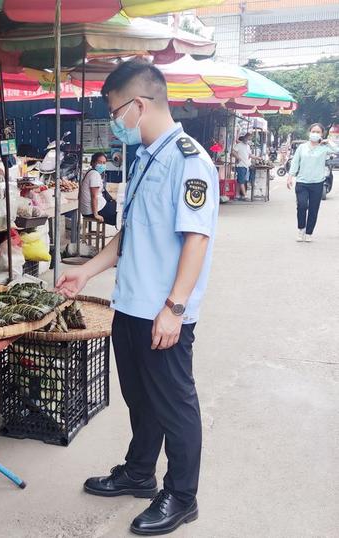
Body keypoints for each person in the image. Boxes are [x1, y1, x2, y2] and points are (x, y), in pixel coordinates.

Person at [56, 59, 219, 536]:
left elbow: (196, 239)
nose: (113, 121)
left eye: (114, 110)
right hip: (129, 306)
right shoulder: (145, 155)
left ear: (138, 105)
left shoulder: (189, 160)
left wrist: (174, 308)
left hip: (163, 313)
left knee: (174, 404)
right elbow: (130, 235)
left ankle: (182, 496)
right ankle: (139, 472)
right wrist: (85, 271)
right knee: (140, 399)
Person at [287, 123, 339, 242]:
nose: (315, 134)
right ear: (309, 132)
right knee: (302, 205)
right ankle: (301, 229)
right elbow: (295, 162)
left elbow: (337, 150)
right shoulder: (302, 147)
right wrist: (290, 176)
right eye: (313, 131)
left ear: (322, 134)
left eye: (318, 132)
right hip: (302, 182)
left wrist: (328, 141)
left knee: (313, 209)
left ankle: (309, 232)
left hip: (317, 183)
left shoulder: (324, 148)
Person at [80, 152, 116, 225]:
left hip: (87, 210)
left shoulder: (90, 172)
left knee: (116, 206)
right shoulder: (94, 174)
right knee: (120, 213)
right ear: (93, 163)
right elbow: (94, 196)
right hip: (93, 211)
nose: (102, 165)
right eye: (99, 162)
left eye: (104, 163)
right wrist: (96, 215)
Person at [231, 133, 261, 200]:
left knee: (239, 181)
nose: (248, 140)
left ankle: (237, 195)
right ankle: (245, 195)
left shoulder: (248, 146)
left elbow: (250, 155)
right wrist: (238, 157)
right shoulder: (238, 145)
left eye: (249, 139)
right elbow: (233, 152)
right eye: (247, 138)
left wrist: (257, 157)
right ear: (244, 138)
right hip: (240, 165)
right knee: (242, 181)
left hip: (245, 165)